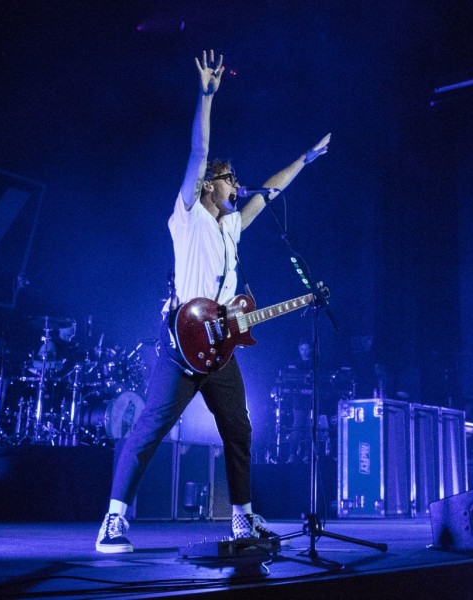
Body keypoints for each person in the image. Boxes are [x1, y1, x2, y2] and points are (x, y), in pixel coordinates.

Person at [96, 49, 331, 553]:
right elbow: (198, 154)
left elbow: (268, 190)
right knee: (151, 428)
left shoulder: (231, 226)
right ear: (209, 186)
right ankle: (113, 520)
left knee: (239, 431)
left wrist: (305, 161)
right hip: (182, 342)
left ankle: (242, 519)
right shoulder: (189, 214)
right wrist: (206, 97)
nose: (234, 184)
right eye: (228, 180)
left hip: (221, 344)